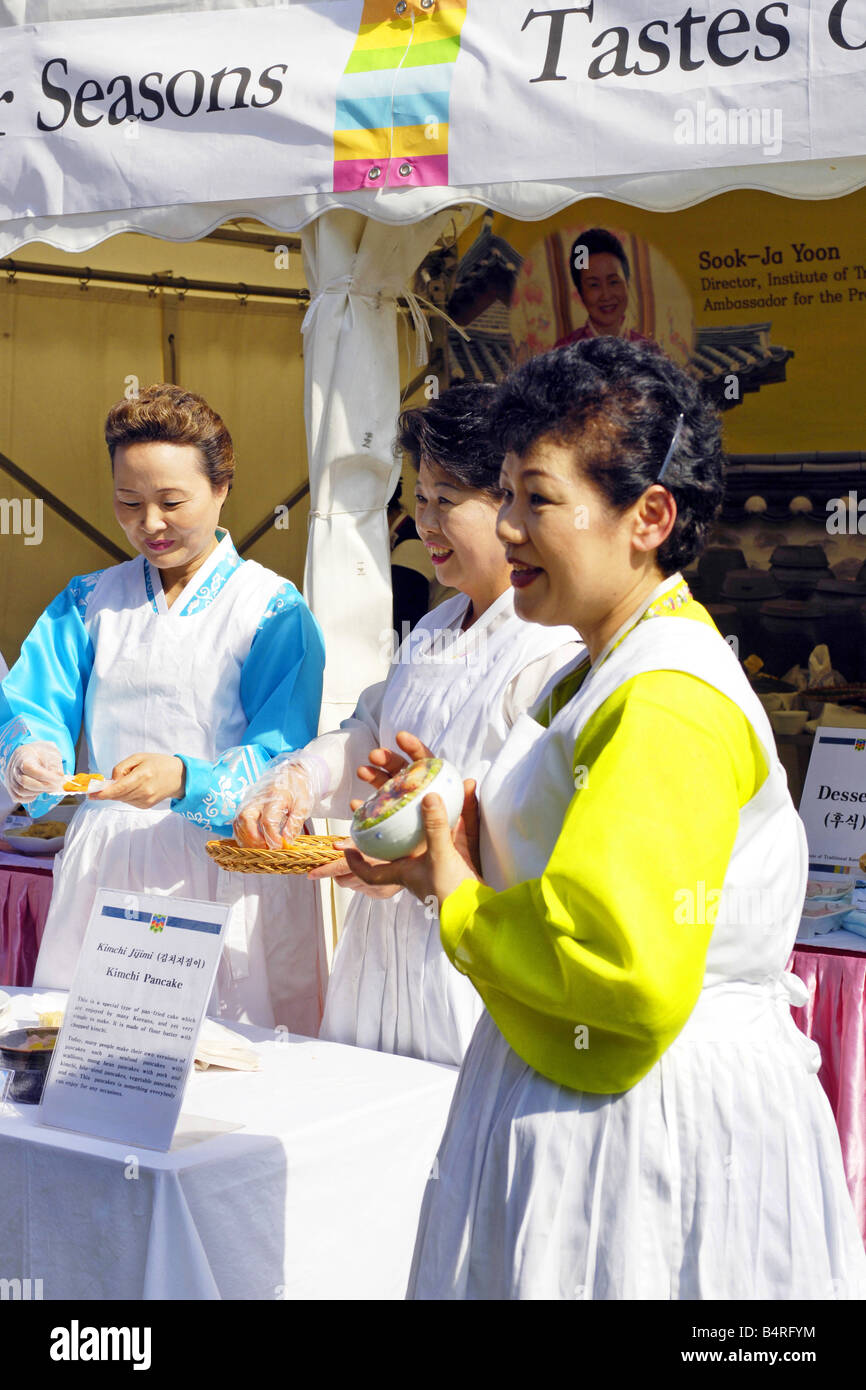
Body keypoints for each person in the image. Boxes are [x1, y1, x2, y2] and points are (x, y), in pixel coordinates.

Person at [346, 338, 866, 1299]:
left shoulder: (663, 693)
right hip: (604, 1097)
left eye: (536, 499)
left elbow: (615, 959)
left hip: (642, 1122)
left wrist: (455, 889)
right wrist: (452, 832)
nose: (504, 527)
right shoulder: (606, 667)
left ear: (649, 517)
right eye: (502, 495)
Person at [234, 382, 581, 1067]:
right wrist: (300, 779)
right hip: (381, 946)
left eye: (446, 502)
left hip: (471, 943)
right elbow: (372, 725)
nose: (424, 525)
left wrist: (412, 859)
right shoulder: (433, 626)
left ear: (507, 503)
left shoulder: (550, 645)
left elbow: (537, 816)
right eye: (418, 500)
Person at [0, 385, 326, 1032]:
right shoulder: (88, 600)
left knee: (235, 1071)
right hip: (109, 859)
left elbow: (283, 752)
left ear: (222, 487)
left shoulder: (271, 609)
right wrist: (31, 757)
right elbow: (34, 706)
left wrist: (187, 779)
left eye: (172, 502)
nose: (150, 523)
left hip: (233, 861)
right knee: (96, 1062)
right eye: (129, 502)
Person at [554, 227, 659, 351]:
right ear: (580, 292)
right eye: (594, 285)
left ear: (627, 283)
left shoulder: (649, 352)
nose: (606, 295)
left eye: (613, 282)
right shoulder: (563, 352)